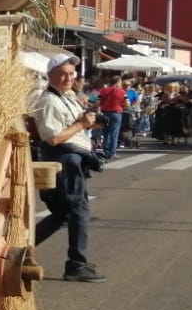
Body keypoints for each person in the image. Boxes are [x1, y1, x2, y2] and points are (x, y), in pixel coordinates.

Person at [31, 52, 107, 283]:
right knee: (78, 211)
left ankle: (20, 246)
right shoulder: (48, 101)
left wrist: (89, 121)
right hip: (64, 158)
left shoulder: (68, 96)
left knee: (64, 214)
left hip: (74, 158)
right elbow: (53, 138)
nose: (68, 78)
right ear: (50, 75)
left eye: (71, 74)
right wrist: (81, 124)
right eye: (62, 74)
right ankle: (76, 265)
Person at [96, 75, 127, 159]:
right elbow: (127, 103)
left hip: (105, 113)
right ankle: (112, 152)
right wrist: (122, 106)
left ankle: (106, 151)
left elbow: (98, 102)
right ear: (118, 82)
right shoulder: (122, 92)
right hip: (116, 113)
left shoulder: (103, 91)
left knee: (106, 133)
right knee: (114, 133)